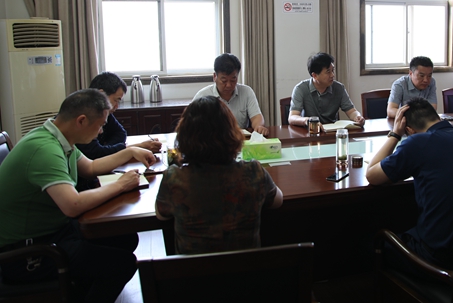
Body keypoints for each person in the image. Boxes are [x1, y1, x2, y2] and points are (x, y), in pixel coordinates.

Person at [0, 89, 156, 303]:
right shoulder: (44, 150)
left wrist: (130, 152)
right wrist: (120, 185)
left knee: (125, 238)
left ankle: (82, 289)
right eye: (100, 125)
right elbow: (72, 205)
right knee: (123, 264)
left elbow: (90, 167)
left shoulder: (57, 138)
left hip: (53, 232)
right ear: (81, 120)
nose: (101, 131)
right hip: (26, 252)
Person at [366, 98, 453, 269]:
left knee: (373, 240)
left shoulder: (416, 143)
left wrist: (395, 134)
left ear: (409, 130)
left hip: (438, 258)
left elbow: (372, 175)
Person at [155, 96, 282, 254]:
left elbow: (161, 215)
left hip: (192, 269)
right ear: (231, 133)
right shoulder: (253, 172)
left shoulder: (174, 178)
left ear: (184, 136)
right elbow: (277, 201)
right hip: (246, 268)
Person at [77, 72, 162, 158]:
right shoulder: (85, 117)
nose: (117, 106)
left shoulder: (104, 112)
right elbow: (96, 154)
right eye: (116, 100)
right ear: (102, 95)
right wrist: (137, 147)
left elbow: (120, 133)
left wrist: (107, 149)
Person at [193, 53, 269, 135]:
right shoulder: (202, 96)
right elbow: (190, 123)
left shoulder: (246, 92)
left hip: (240, 139)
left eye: (233, 80)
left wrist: (259, 126)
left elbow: (256, 116)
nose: (229, 85)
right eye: (224, 81)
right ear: (215, 76)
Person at [288, 52, 364, 130]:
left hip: (332, 132)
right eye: (328, 72)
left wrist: (358, 117)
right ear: (314, 75)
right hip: (311, 132)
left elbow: (351, 111)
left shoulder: (339, 88)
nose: (332, 75)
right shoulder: (300, 89)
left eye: (332, 70)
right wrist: (308, 121)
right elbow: (292, 117)